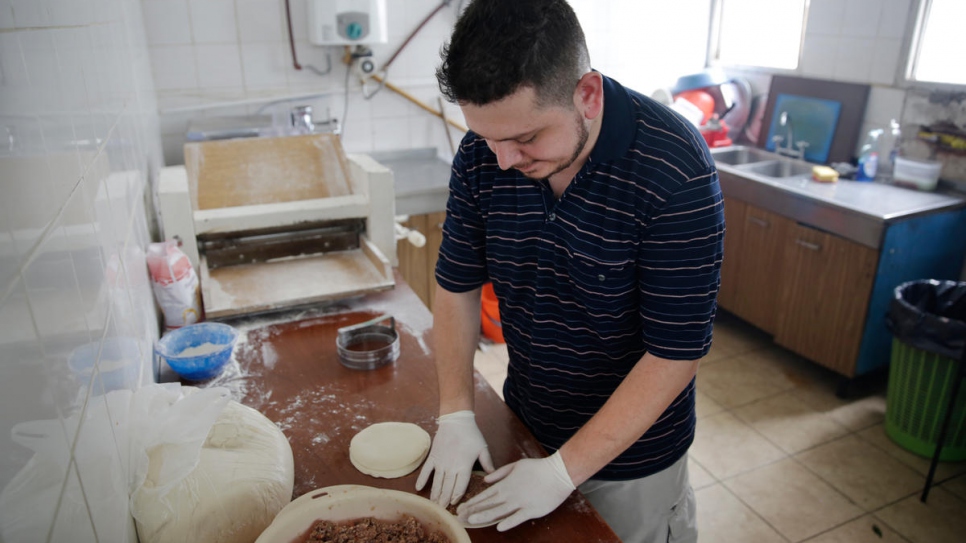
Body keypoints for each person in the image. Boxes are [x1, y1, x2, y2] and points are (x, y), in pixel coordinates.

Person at [413, 1, 724, 541]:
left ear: (588, 94)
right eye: (489, 137)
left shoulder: (674, 170)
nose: (504, 159)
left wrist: (564, 470)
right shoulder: (483, 155)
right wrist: (456, 412)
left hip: (634, 462)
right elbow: (458, 285)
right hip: (528, 422)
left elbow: (674, 354)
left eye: (527, 138)